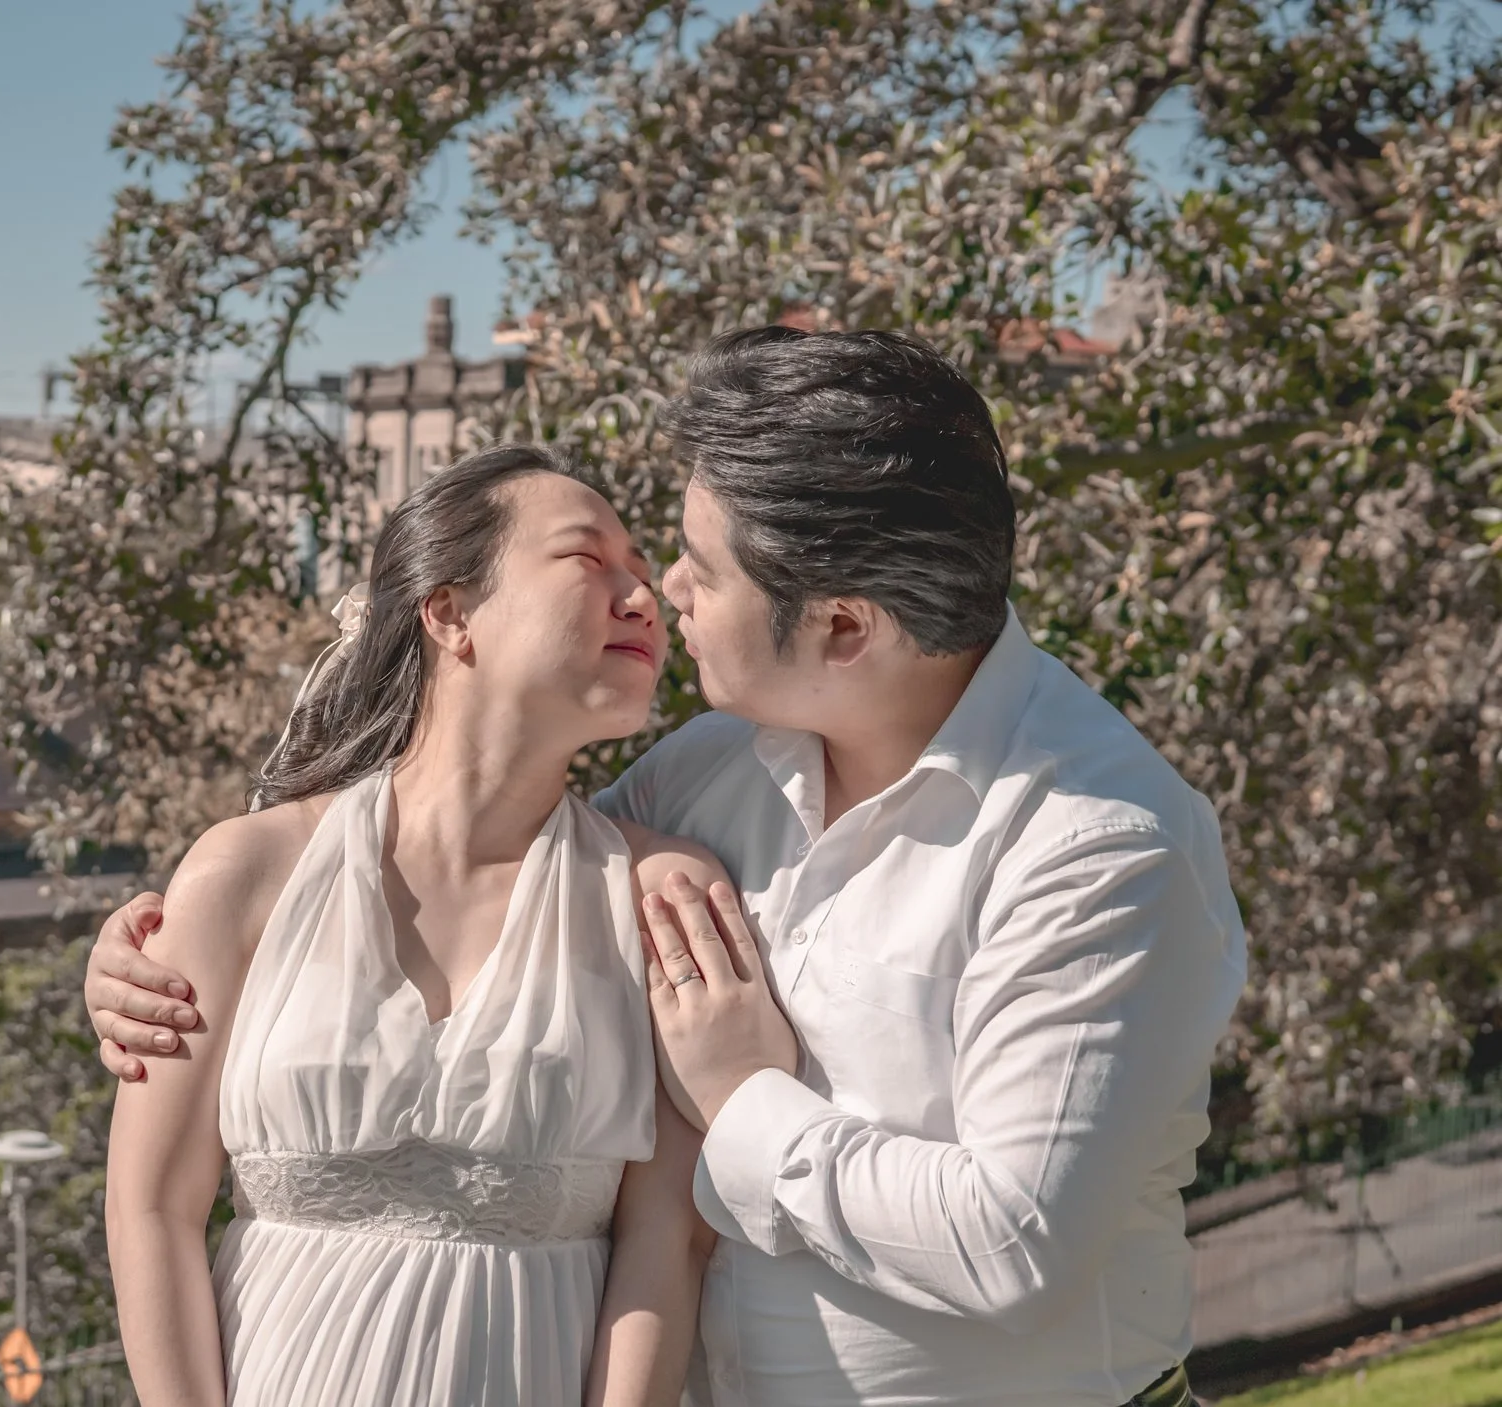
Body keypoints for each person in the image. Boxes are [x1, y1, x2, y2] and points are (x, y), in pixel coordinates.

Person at [90, 328, 1247, 1407]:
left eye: (698, 567)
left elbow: (1014, 1245)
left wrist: (741, 1099)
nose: (665, 593)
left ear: (843, 628)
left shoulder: (1095, 843)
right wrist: (149, 964)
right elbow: (496, 890)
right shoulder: (702, 780)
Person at [104, 445, 754, 1407]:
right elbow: (152, 1208)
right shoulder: (243, 875)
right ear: (448, 610)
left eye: (641, 567)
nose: (644, 596)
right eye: (589, 558)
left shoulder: (659, 895)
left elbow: (667, 1239)